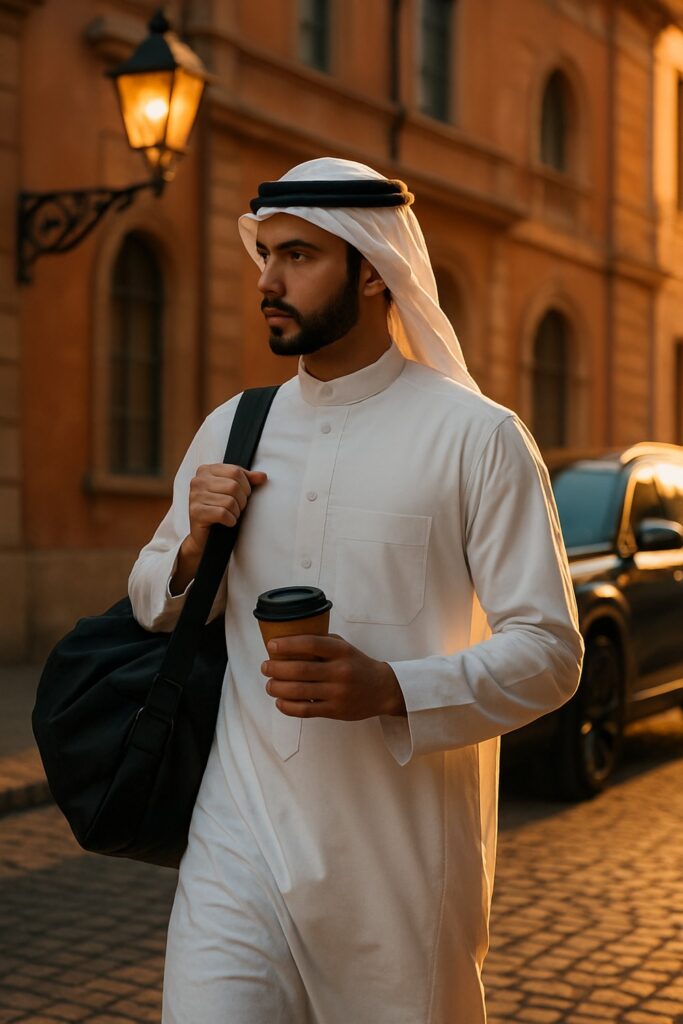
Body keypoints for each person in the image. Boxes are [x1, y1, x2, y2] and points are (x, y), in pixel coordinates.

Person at [129, 157, 584, 1024]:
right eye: (263, 254)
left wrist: (392, 688)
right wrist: (190, 549)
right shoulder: (234, 426)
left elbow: (550, 654)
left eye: (297, 255)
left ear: (374, 268)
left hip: (403, 876)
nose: (267, 279)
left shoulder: (476, 438)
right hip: (240, 843)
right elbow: (152, 598)